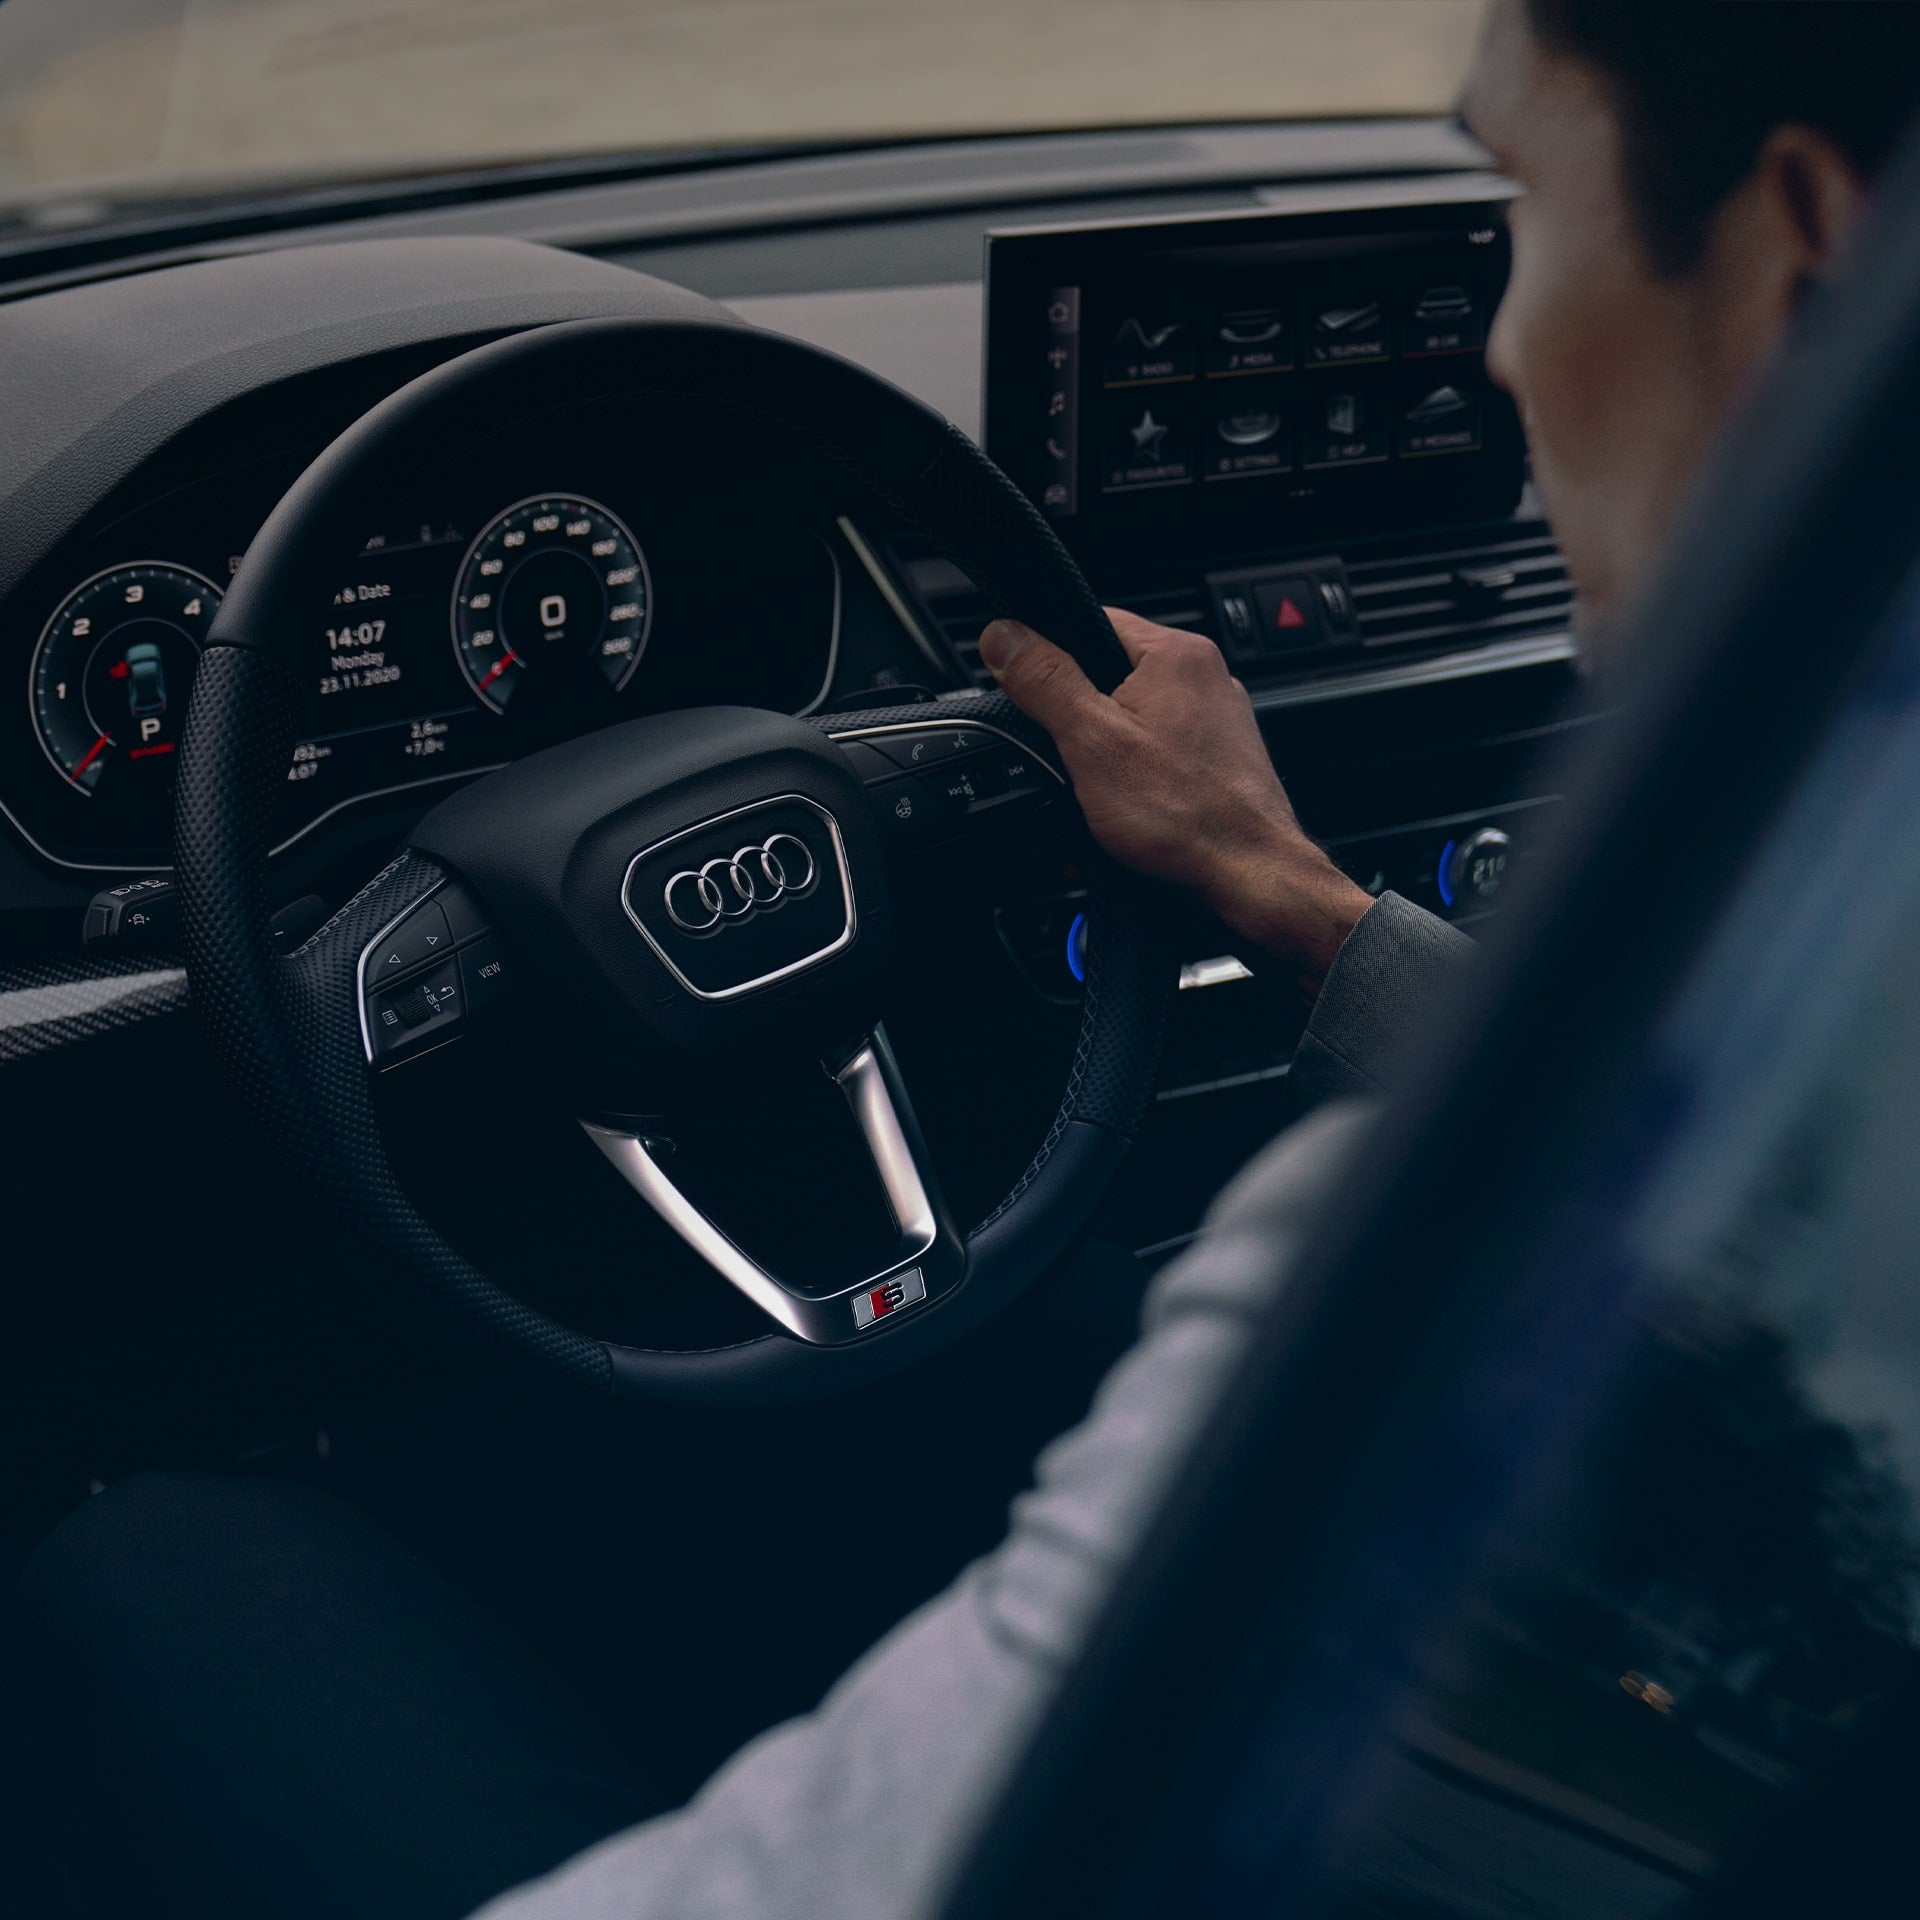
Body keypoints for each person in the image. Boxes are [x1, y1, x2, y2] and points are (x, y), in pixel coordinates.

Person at [12, 4, 1920, 1917]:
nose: (1494, 348)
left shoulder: (1387, 1260)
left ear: (1798, 261)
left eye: (1520, 205)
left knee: (155, 1559)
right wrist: (1288, 894)